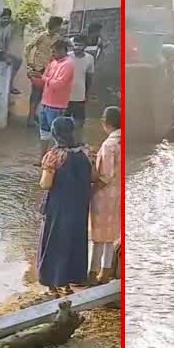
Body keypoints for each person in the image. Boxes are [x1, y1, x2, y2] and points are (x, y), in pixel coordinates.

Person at [38, 116, 95, 297]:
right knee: (75, 241)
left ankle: (53, 285)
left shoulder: (54, 156)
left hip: (59, 206)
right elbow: (93, 177)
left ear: (55, 134)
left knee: (55, 241)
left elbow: (46, 184)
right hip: (79, 206)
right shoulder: (86, 152)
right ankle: (70, 283)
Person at [90, 106, 121, 284]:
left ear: (105, 123)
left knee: (98, 235)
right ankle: (106, 270)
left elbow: (106, 175)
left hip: (105, 194)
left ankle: (94, 272)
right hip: (119, 193)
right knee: (111, 234)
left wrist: (93, 189)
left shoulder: (109, 144)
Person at [38, 39, 75, 161]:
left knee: (57, 135)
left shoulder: (68, 64)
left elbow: (58, 84)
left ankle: (57, 160)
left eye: (54, 52)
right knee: (44, 132)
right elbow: (47, 78)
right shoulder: (53, 62)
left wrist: (44, 78)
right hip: (45, 102)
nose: (52, 54)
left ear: (62, 50)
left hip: (57, 105)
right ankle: (43, 158)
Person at [25, 16, 63, 125]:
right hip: (38, 68)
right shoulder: (42, 36)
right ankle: (31, 118)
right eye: (58, 26)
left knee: (45, 95)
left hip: (51, 69)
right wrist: (29, 63)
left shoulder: (58, 38)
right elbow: (28, 47)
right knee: (36, 93)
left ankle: (40, 117)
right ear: (54, 26)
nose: (58, 28)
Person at [68, 35, 95, 137]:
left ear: (85, 46)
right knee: (64, 120)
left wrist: (87, 94)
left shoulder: (89, 59)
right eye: (75, 44)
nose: (77, 47)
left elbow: (89, 77)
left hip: (80, 94)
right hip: (66, 94)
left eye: (80, 45)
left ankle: (77, 141)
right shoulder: (67, 56)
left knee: (80, 121)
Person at [0, 8, 24, 94]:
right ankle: (9, 85)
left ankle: (10, 83)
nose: (6, 21)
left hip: (2, 51)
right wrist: (5, 55)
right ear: (0, 18)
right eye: (4, 18)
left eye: (8, 19)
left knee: (18, 60)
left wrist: (7, 53)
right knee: (12, 60)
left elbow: (6, 43)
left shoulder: (8, 28)